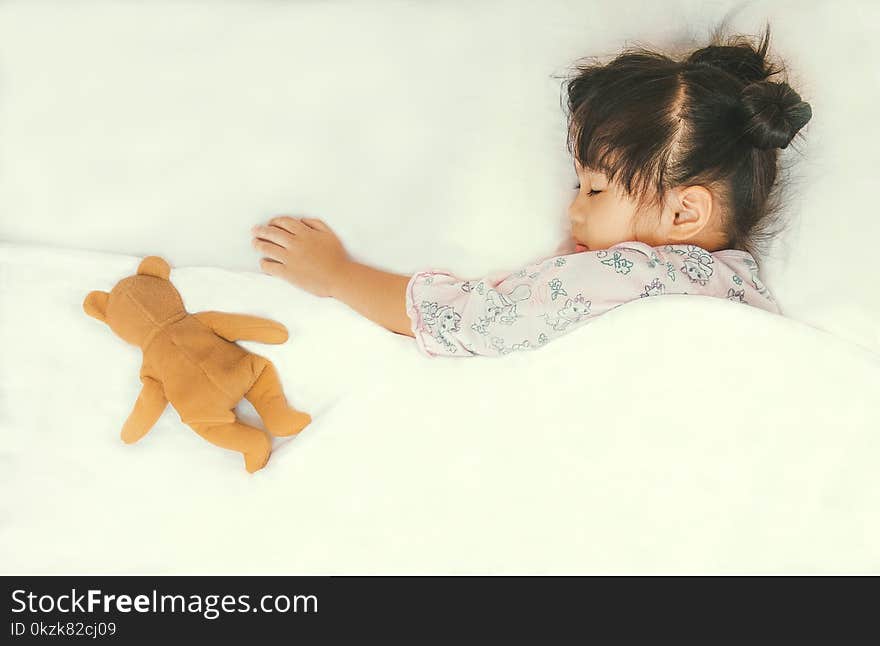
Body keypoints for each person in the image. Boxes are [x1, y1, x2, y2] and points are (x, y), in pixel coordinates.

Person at [250, 23, 811, 358]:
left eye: (595, 189)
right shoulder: (748, 295)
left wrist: (337, 275)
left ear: (684, 212)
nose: (572, 209)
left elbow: (471, 320)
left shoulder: (627, 273)